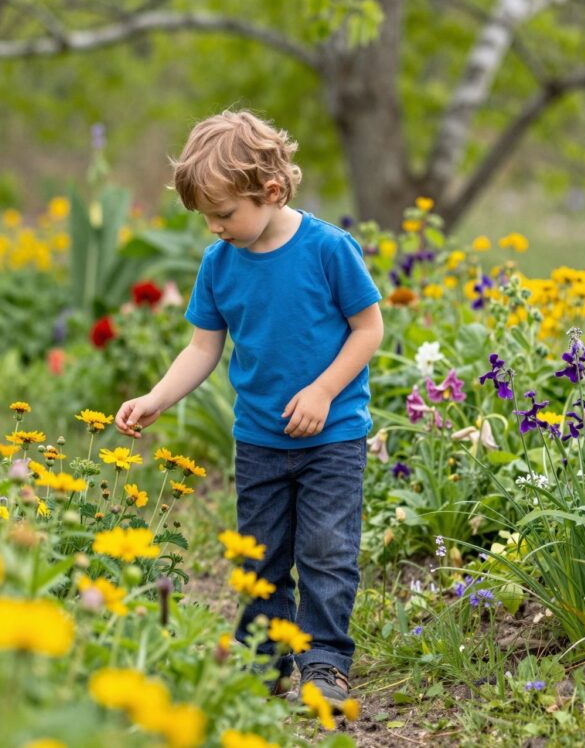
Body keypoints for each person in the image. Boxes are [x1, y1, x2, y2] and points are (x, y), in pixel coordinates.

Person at [114, 109, 383, 707]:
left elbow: (369, 330)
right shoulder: (219, 264)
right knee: (258, 556)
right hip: (260, 440)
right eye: (206, 217)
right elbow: (202, 348)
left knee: (326, 551)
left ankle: (325, 662)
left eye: (224, 214)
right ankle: (264, 659)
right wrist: (157, 397)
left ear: (273, 191)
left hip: (332, 436)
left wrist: (323, 391)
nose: (215, 227)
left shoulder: (328, 249)